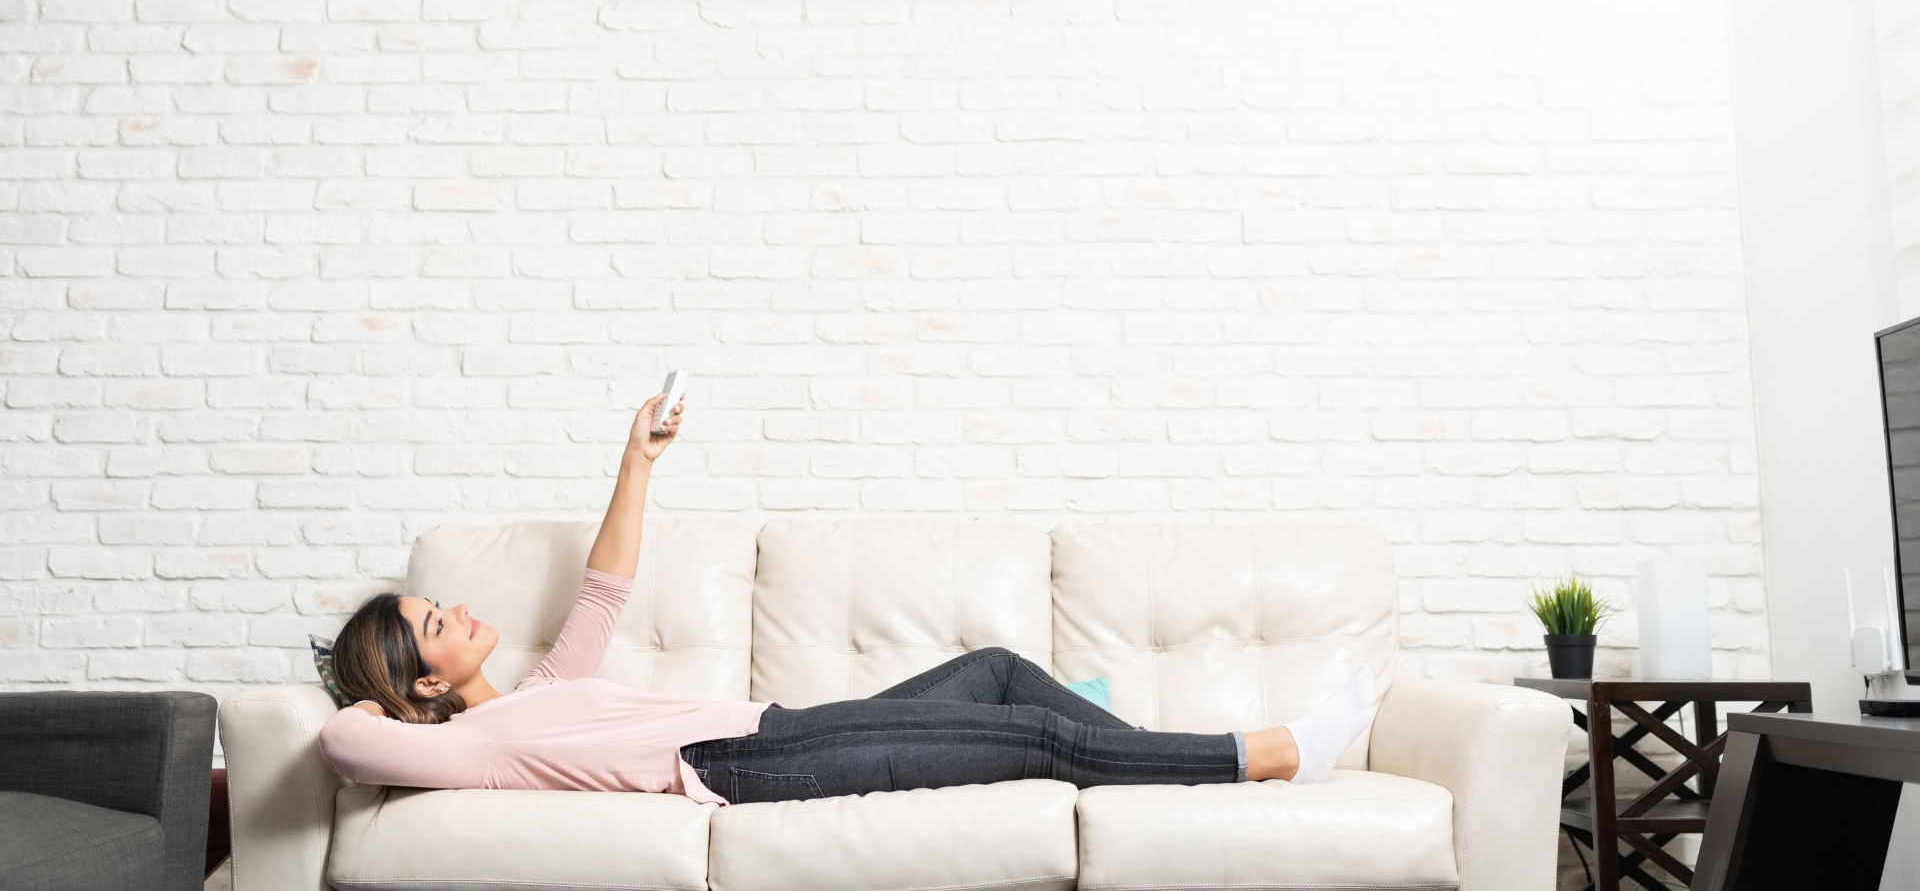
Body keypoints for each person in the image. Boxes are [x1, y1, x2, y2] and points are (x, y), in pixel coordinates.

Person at [319, 394, 1376, 805]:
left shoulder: (541, 692)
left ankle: (1161, 770)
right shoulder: (472, 747)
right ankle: (1269, 754)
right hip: (750, 763)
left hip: (772, 730)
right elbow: (347, 750)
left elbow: (606, 587)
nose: (452, 610)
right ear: (420, 676)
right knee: (1037, 736)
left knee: (1002, 675)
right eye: (431, 623)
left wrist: (634, 460)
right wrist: (375, 704)